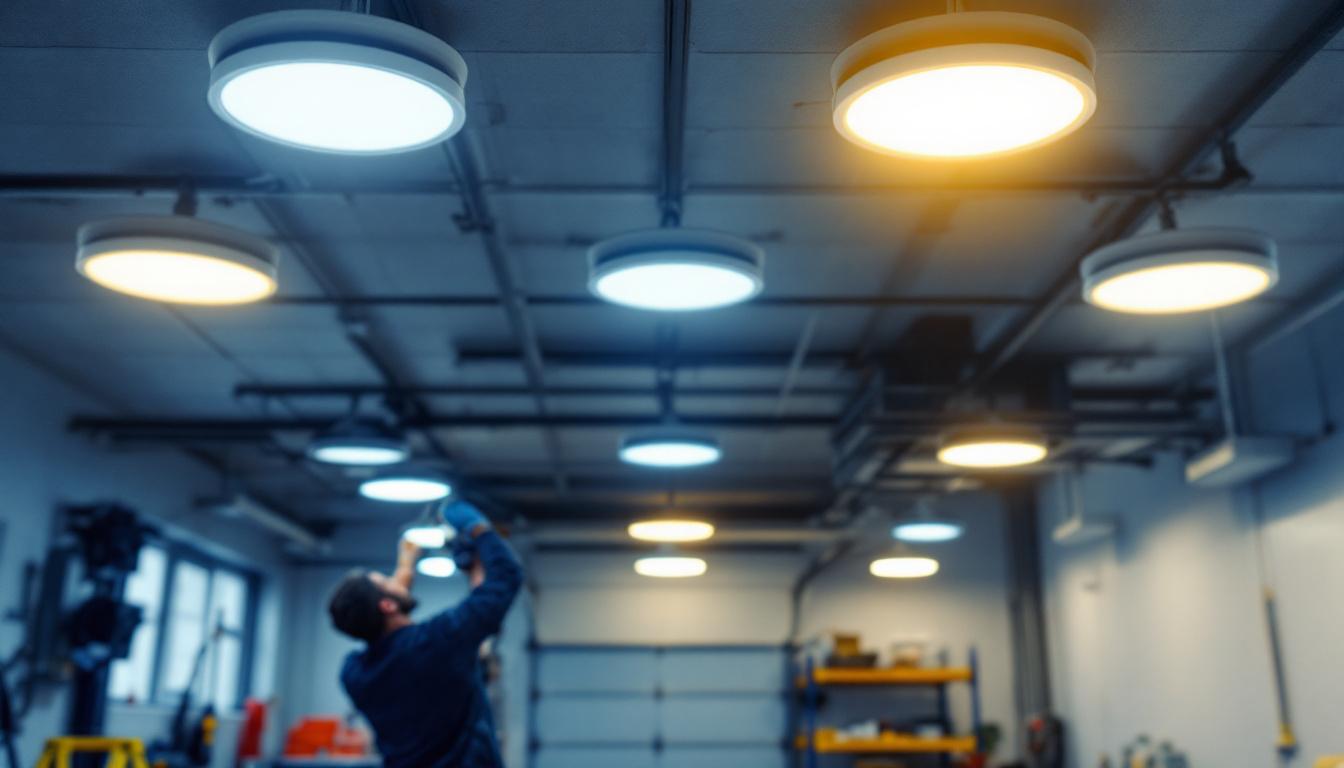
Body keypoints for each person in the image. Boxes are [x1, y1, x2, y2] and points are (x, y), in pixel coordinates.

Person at [327, 500, 522, 768]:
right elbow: (504, 580)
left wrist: (406, 567)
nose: (395, 580)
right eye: (387, 581)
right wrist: (478, 529)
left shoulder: (355, 674)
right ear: (387, 605)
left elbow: (389, 622)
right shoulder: (439, 640)